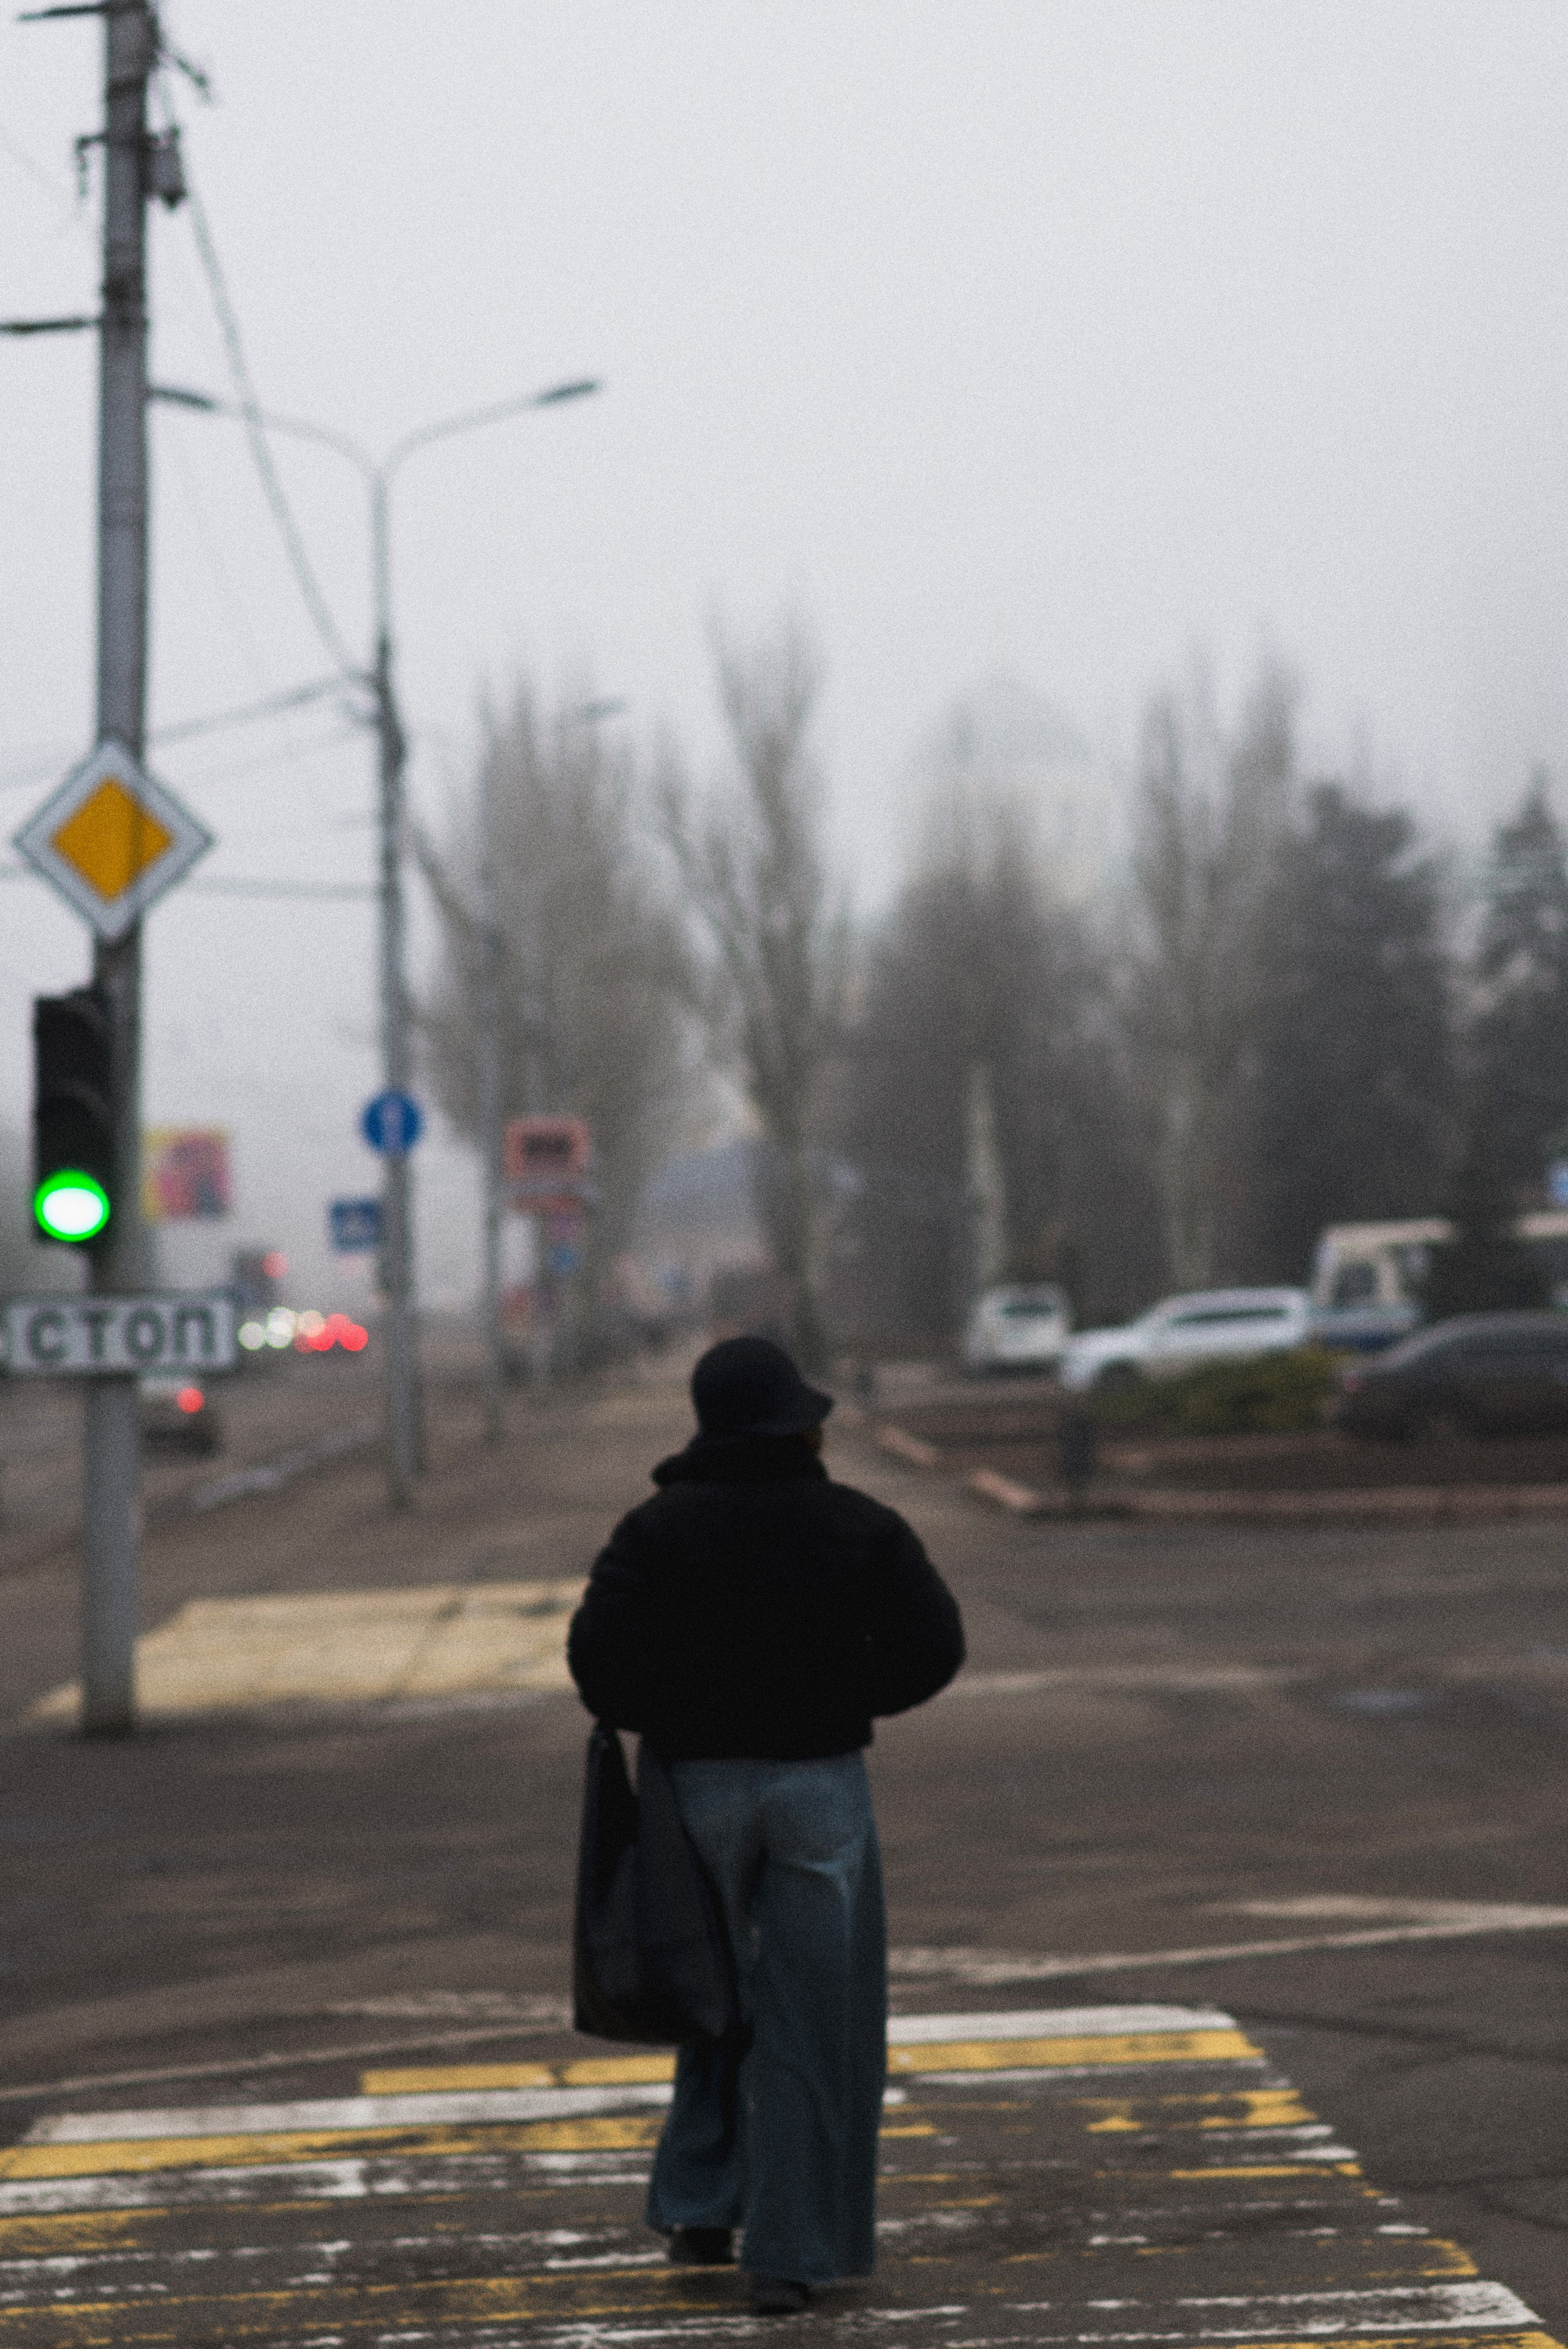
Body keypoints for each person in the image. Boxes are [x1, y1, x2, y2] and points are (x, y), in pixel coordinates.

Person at [568, 1335, 965, 2315]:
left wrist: (680, 1712)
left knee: (711, 1995)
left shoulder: (655, 1530)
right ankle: (789, 2255)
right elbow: (935, 1647)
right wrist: (840, 1698)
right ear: (795, 1422)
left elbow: (596, 1660)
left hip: (695, 1794)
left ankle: (702, 2206)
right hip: (818, 1788)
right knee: (814, 2023)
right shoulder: (859, 1525)